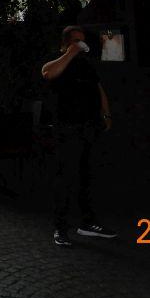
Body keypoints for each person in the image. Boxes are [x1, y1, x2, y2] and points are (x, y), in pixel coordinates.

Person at [41, 25, 117, 247]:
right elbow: (48, 72)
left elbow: (98, 87)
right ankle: (60, 227)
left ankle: (88, 222)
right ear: (66, 43)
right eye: (76, 41)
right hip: (66, 128)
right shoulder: (58, 60)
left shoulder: (86, 65)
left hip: (89, 126)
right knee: (64, 178)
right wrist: (70, 53)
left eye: (82, 41)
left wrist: (106, 113)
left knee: (88, 176)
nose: (81, 45)